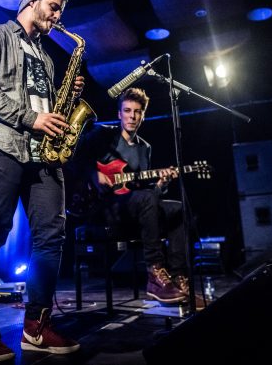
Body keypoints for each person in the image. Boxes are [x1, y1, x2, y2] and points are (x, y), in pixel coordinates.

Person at [0, 0, 84, 362]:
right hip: (2, 148)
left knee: (52, 237)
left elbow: (47, 109)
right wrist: (31, 118)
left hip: (43, 157)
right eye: (53, 6)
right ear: (31, 2)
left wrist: (67, 101)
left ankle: (36, 326)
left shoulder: (47, 57)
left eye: (61, 9)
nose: (58, 15)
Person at [76, 87, 192, 305]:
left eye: (137, 111)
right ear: (119, 114)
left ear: (143, 115)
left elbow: (146, 194)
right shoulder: (103, 135)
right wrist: (95, 174)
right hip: (103, 208)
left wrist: (161, 184)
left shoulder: (145, 148)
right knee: (147, 199)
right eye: (127, 111)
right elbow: (74, 158)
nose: (132, 116)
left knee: (179, 208)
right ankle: (155, 273)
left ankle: (177, 278)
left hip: (134, 210)